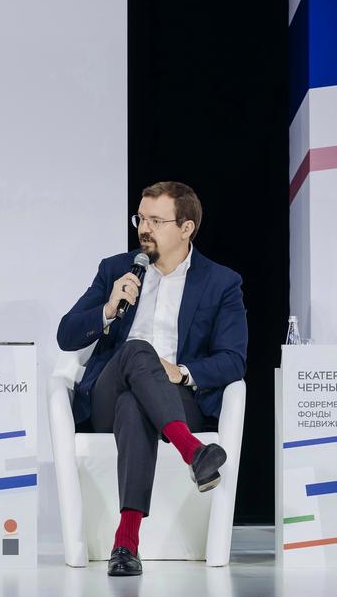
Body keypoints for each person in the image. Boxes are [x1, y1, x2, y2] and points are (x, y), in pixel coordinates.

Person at [57, 181, 248, 576]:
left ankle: (126, 543)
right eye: (140, 219)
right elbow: (66, 335)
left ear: (186, 228)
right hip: (107, 395)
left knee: (136, 406)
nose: (144, 228)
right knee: (136, 350)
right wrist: (108, 308)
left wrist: (182, 371)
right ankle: (193, 452)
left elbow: (234, 360)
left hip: (178, 400)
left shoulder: (221, 283)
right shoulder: (116, 269)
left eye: (156, 221)